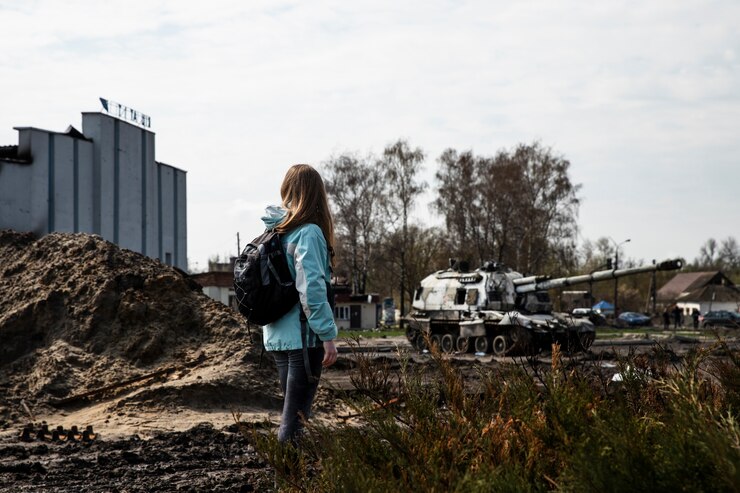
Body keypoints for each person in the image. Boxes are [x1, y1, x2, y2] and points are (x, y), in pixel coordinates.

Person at [261, 164, 338, 444]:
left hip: (277, 337)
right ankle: (288, 482)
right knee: (294, 423)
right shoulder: (308, 233)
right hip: (304, 339)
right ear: (317, 194)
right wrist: (327, 336)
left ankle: (289, 479)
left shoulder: (275, 232)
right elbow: (312, 289)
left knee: (291, 417)